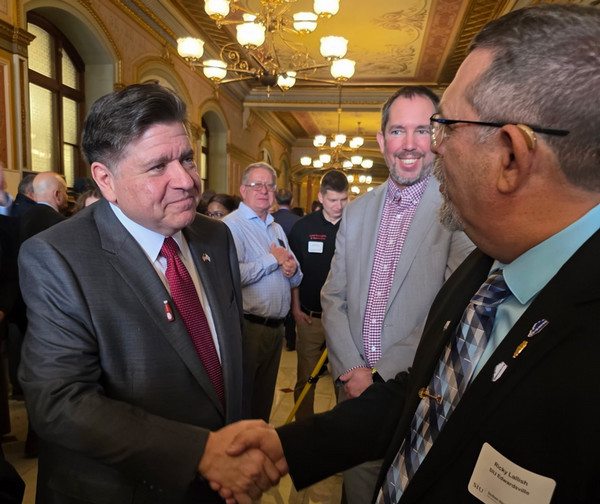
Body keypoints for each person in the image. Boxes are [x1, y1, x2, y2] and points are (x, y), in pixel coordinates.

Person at [220, 4, 600, 504]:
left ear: (510, 155)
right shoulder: (490, 269)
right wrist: (288, 445)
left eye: (445, 128)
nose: (432, 148)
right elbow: (429, 388)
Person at [18, 83, 283, 504]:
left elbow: (229, 353)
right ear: (106, 180)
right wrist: (200, 453)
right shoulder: (57, 256)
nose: (186, 180)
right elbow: (60, 402)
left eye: (187, 159)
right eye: (158, 167)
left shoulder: (215, 237)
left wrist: (238, 446)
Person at [322, 85, 473, 502]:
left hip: (413, 392)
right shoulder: (355, 210)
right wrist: (352, 369)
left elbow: (452, 307)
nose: (409, 145)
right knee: (356, 491)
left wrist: (379, 376)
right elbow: (333, 296)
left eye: (422, 130)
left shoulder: (458, 207)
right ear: (380, 140)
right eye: (397, 131)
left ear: (439, 136)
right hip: (350, 388)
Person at [223, 162, 302, 421]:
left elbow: (293, 273)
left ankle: (258, 445)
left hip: (276, 327)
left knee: (263, 399)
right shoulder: (231, 226)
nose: (264, 191)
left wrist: (291, 268)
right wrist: (273, 260)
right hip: (249, 327)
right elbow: (233, 275)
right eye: (257, 185)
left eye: (269, 186)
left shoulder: (275, 227)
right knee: (244, 398)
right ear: (243, 190)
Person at [288, 170, 348, 420]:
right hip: (311, 317)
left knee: (344, 379)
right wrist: (296, 309)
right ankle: (303, 431)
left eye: (344, 200)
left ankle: (341, 432)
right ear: (321, 198)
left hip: (345, 320)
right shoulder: (303, 227)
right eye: (333, 200)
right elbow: (293, 273)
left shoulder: (355, 225)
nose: (339, 206)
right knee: (306, 379)